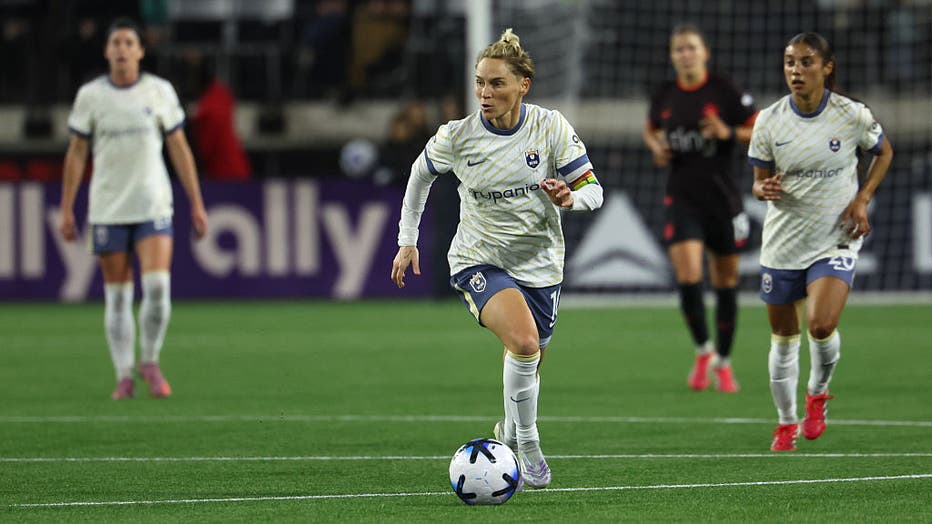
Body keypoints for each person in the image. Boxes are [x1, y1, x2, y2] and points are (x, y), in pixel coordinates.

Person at [390, 28, 603, 489]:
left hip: (541, 264)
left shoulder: (550, 128)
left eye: (497, 84)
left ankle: (507, 427)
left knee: (530, 355)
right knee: (525, 342)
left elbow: (593, 190)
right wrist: (408, 238)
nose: (485, 93)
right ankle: (527, 445)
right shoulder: (459, 136)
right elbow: (419, 175)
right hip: (478, 259)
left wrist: (571, 198)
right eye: (480, 83)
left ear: (523, 85)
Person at [748, 32, 893, 451]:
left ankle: (817, 395)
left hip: (836, 238)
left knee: (821, 323)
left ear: (827, 67)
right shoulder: (770, 121)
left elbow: (883, 152)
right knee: (784, 336)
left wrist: (863, 197)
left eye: (807, 62)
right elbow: (757, 183)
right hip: (783, 241)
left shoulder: (851, 115)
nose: (797, 70)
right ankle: (785, 421)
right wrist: (764, 189)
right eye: (790, 62)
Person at [58, 18, 209, 400]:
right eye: (116, 43)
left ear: (141, 51)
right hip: (108, 206)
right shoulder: (91, 96)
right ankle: (123, 374)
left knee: (157, 287)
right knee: (119, 296)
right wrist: (66, 208)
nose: (122, 49)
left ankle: (151, 361)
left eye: (129, 42)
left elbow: (179, 147)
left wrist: (196, 201)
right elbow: (76, 154)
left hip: (152, 202)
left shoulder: (159, 91)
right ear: (107, 51)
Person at [643, 24, 758, 393]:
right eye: (679, 49)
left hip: (723, 200)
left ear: (705, 52)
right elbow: (650, 129)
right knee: (689, 276)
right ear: (672, 56)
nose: (685, 55)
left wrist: (728, 133)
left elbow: (758, 131)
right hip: (682, 198)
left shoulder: (725, 91)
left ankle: (724, 362)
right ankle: (703, 350)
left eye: (691, 48)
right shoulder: (665, 95)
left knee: (725, 282)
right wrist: (656, 146)